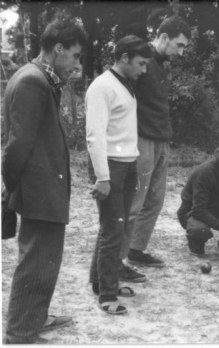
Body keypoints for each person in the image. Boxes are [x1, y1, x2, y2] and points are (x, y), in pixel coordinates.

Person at [2, 17, 86, 344]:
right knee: (37, 262)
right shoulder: (32, 82)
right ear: (58, 49)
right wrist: (11, 188)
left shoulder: (39, 77)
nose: (78, 63)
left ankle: (35, 318)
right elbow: (16, 146)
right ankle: (20, 333)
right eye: (76, 56)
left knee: (45, 261)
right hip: (38, 191)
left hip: (43, 187)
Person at [86, 35, 152, 315]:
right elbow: (94, 136)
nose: (144, 69)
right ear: (124, 58)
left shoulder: (124, 84)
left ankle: (99, 281)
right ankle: (107, 295)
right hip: (110, 167)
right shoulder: (102, 87)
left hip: (127, 164)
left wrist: (132, 165)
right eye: (140, 63)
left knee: (119, 227)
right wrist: (103, 176)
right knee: (113, 230)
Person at [120, 16, 191, 272]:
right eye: (179, 45)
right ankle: (117, 261)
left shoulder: (163, 63)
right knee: (135, 202)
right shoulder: (142, 58)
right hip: (141, 138)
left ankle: (136, 249)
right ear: (163, 37)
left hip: (162, 139)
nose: (181, 52)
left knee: (156, 199)